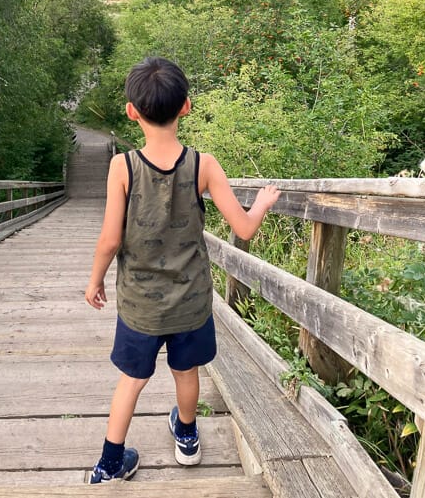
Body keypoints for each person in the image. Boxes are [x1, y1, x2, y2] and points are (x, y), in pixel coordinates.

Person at [85, 57, 280, 482]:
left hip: (139, 306)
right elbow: (243, 226)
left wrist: (95, 280)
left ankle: (109, 463)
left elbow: (110, 240)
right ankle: (187, 438)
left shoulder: (123, 166)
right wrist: (261, 204)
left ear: (131, 111)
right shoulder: (203, 165)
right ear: (186, 107)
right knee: (186, 372)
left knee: (130, 381)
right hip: (191, 303)